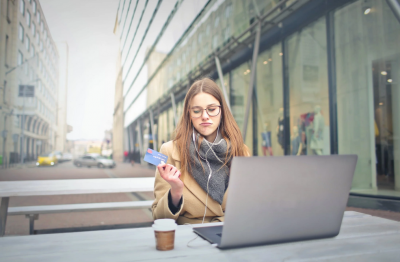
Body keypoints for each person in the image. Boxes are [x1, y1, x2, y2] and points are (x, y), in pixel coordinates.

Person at [152, 78, 250, 225]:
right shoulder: (169, 150)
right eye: (197, 111)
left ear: (222, 111)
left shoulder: (241, 150)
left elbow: (249, 203)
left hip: (232, 232)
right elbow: (158, 217)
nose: (205, 116)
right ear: (189, 114)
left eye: (211, 109)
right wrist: (175, 192)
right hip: (190, 238)